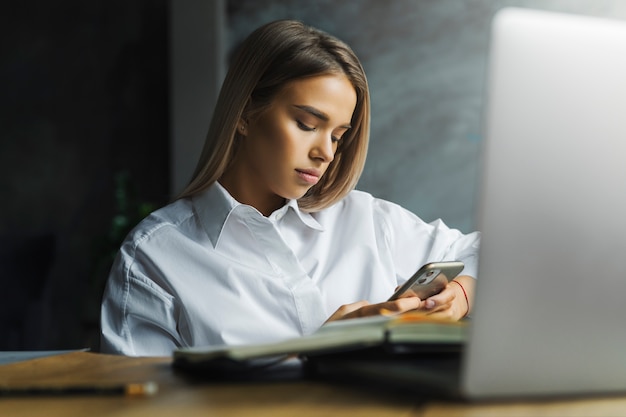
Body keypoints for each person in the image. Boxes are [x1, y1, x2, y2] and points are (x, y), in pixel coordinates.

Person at [100, 19, 480, 357]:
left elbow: (493, 256)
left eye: (337, 135)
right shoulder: (155, 259)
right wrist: (320, 351)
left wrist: (463, 293)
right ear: (247, 113)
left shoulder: (368, 220)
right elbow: (144, 403)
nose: (325, 152)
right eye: (307, 124)